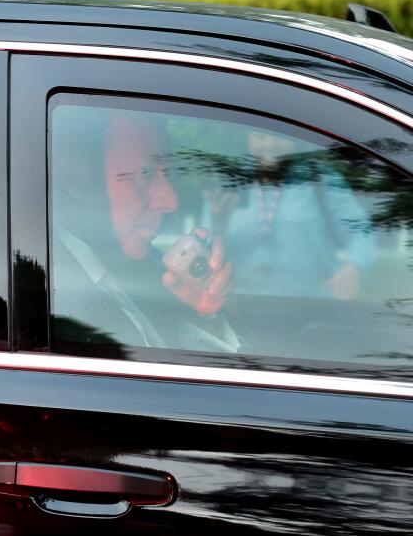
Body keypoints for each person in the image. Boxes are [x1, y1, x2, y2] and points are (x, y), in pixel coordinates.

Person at [51, 109, 240, 353]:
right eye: (145, 174)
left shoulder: (154, 274)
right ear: (78, 180)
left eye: (170, 176)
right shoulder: (49, 300)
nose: (171, 201)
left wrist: (204, 312)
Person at [203, 129, 376, 301]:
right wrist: (219, 223)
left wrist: (354, 268)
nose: (269, 144)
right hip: (242, 310)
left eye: (279, 135)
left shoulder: (319, 178)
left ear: (294, 139)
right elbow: (206, 255)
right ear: (248, 139)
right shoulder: (229, 183)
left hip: (312, 309)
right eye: (260, 136)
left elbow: (360, 230)